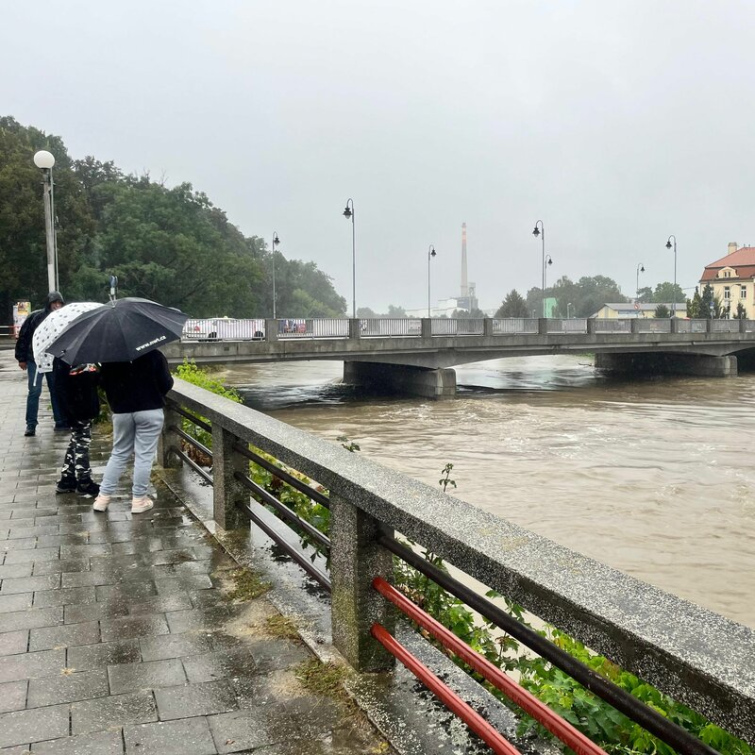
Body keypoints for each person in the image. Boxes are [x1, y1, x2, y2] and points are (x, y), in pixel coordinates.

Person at [93, 350, 174, 514]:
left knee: (119, 453)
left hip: (122, 411)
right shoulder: (154, 354)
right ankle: (139, 499)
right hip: (150, 409)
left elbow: (103, 383)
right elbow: (166, 383)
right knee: (144, 455)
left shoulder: (111, 358)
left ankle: (102, 498)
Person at [15, 291, 68, 436]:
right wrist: (21, 358)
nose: (57, 306)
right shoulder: (35, 317)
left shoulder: (63, 318)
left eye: (59, 303)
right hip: (35, 359)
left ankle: (60, 420)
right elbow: (24, 337)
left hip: (53, 359)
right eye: (54, 303)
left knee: (55, 389)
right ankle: (31, 424)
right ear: (49, 303)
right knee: (34, 391)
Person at [53, 360, 101, 498]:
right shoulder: (67, 361)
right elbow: (63, 386)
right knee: (82, 441)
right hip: (78, 406)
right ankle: (84, 479)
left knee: (76, 439)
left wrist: (94, 374)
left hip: (80, 405)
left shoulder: (69, 358)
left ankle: (67, 478)